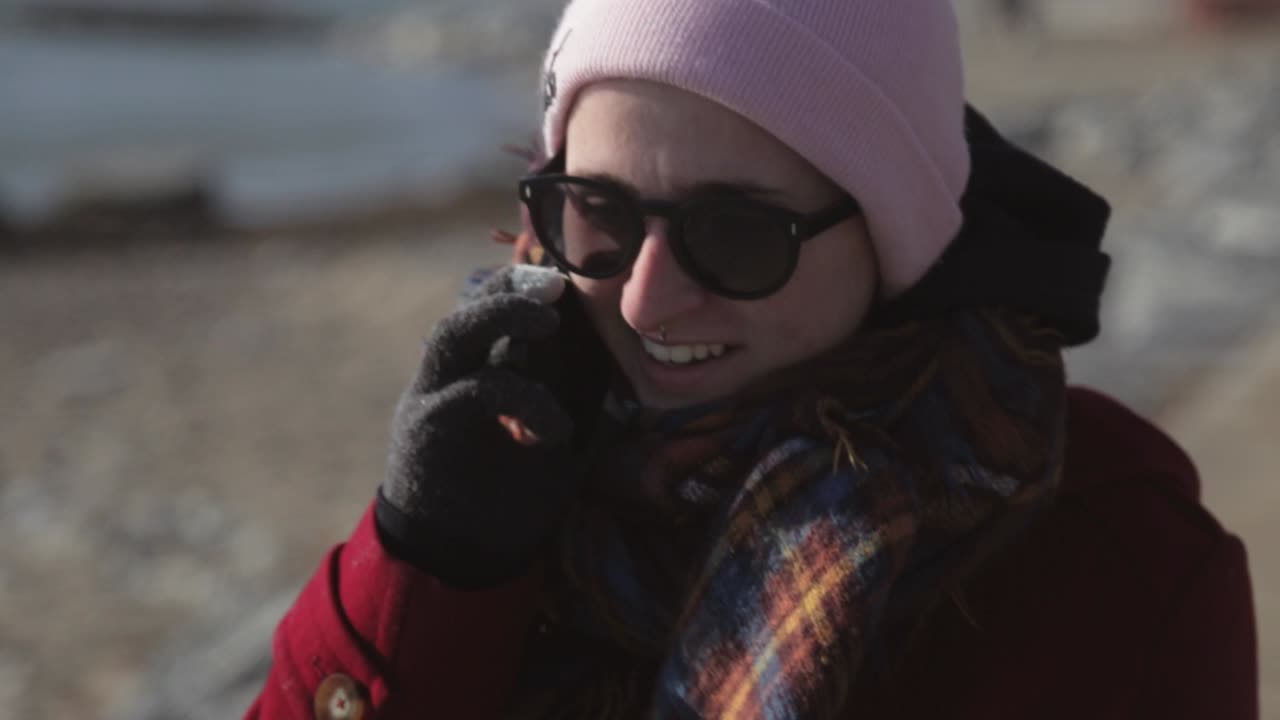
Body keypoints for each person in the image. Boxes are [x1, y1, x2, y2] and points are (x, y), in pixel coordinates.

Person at [245, 1, 1258, 718]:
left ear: (890, 235)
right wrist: (425, 571)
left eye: (734, 235)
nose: (644, 297)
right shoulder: (506, 449)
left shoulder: (1116, 561)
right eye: (595, 211)